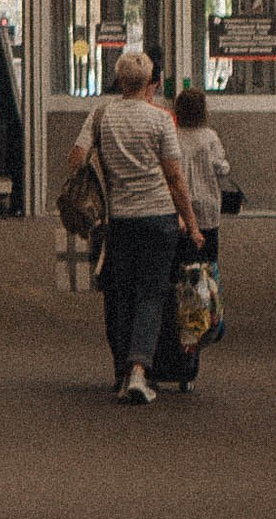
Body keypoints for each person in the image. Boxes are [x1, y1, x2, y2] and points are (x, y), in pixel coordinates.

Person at [75, 48, 197, 405]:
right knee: (151, 293)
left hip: (120, 220)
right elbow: (175, 178)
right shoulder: (161, 121)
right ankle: (140, 370)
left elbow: (76, 158)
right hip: (159, 219)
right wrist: (191, 224)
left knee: (119, 294)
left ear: (118, 80)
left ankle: (120, 372)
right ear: (150, 83)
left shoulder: (101, 115)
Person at [152, 83, 232, 391]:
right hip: (207, 216)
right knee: (201, 283)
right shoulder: (209, 137)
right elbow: (221, 168)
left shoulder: (171, 136)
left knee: (173, 282)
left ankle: (163, 356)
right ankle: (191, 357)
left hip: (177, 214)